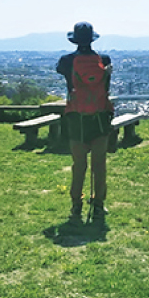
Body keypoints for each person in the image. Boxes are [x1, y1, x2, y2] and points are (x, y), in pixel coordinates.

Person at [56, 22, 113, 224]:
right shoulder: (104, 61)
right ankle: (98, 204)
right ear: (92, 38)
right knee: (99, 165)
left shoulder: (66, 61)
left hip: (76, 118)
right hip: (99, 117)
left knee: (79, 164)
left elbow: (62, 74)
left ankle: (76, 204)